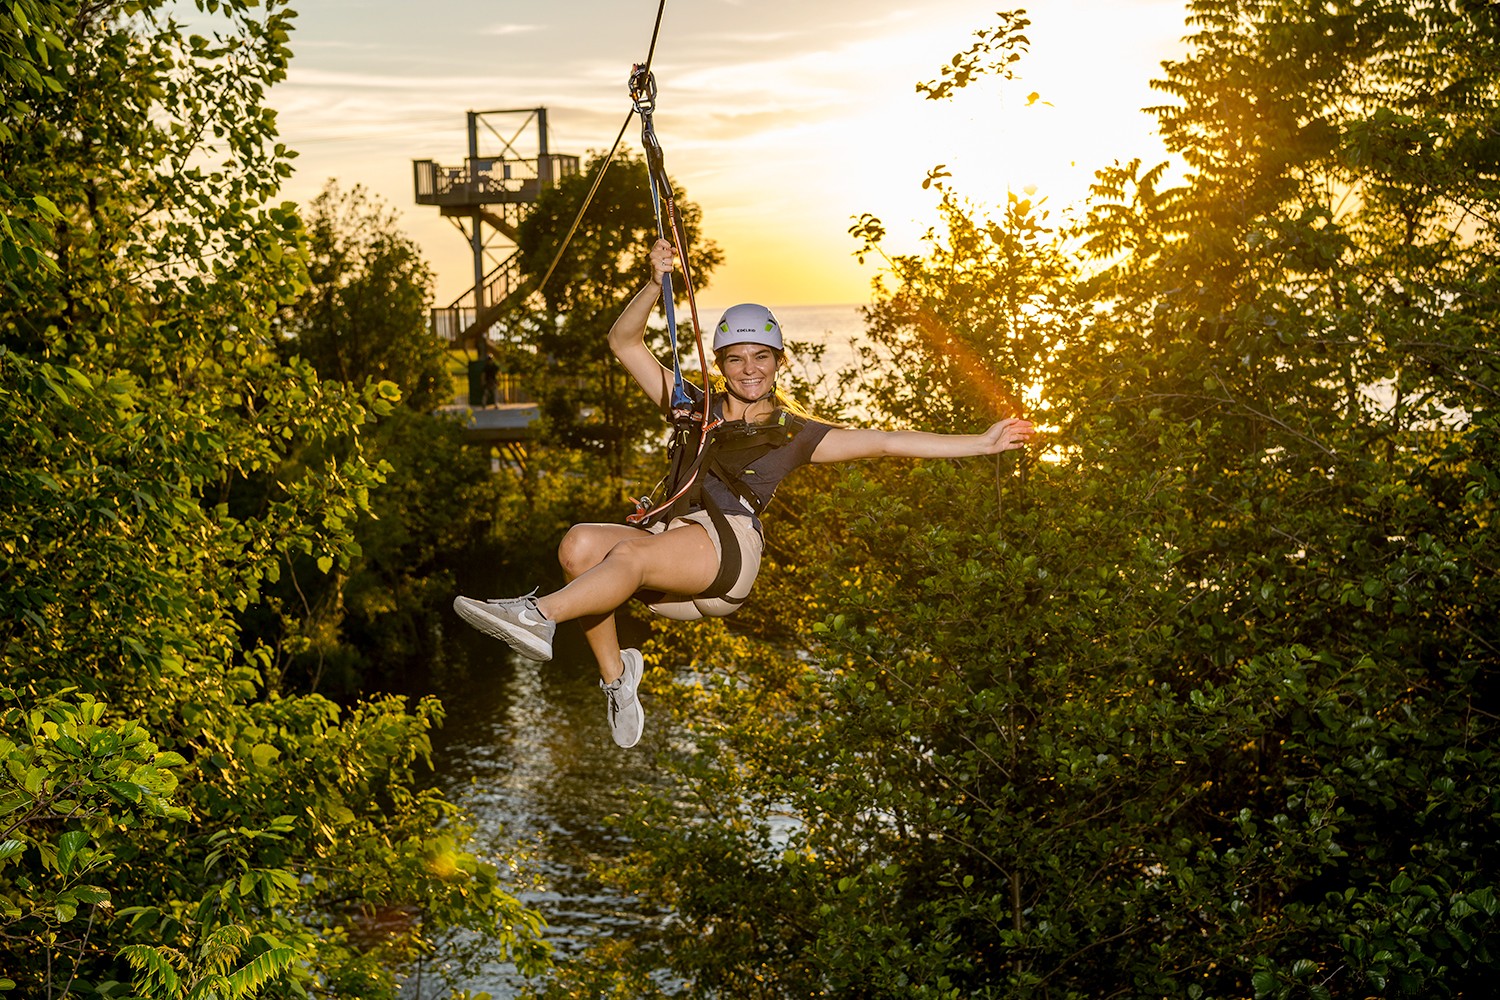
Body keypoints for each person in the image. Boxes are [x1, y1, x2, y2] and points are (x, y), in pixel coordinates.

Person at [454, 238, 1035, 749]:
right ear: (722, 363)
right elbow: (624, 343)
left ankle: (537, 616)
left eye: (761, 356)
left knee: (625, 555)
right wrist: (655, 284)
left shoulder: (794, 434)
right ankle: (618, 680)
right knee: (580, 544)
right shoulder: (691, 405)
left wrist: (980, 444)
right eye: (736, 357)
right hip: (670, 560)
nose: (749, 368)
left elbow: (885, 440)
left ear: (779, 362)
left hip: (725, 554)